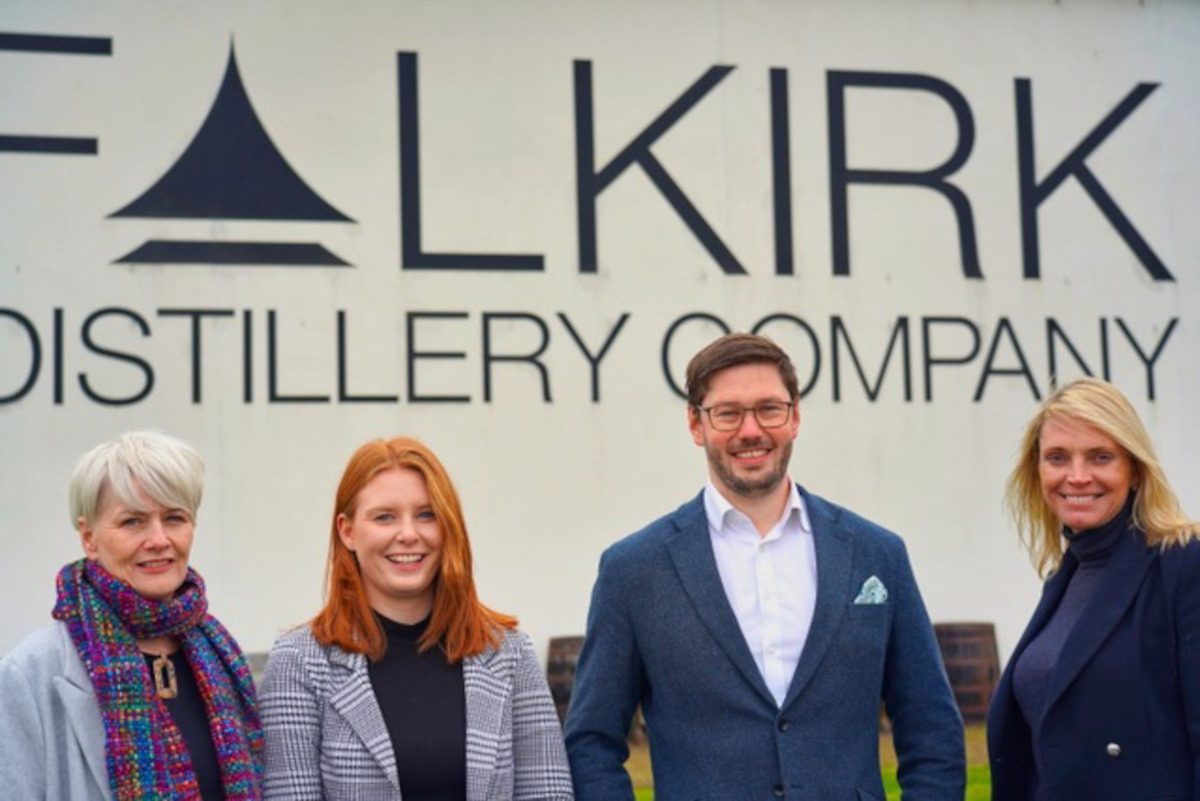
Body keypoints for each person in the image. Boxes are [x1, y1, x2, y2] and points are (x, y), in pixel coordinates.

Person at [564, 332, 964, 801]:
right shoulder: (633, 570)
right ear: (695, 424)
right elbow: (591, 742)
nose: (750, 430)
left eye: (769, 409)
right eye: (727, 413)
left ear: (795, 417)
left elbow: (931, 727)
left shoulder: (877, 554)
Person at [259, 436, 573, 801]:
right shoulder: (299, 663)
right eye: (384, 517)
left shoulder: (508, 655)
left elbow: (548, 793)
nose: (408, 534)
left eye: (426, 515)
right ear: (347, 532)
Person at [0, 430, 263, 801]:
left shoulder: (220, 656)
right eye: (132, 522)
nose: (158, 540)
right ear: (88, 537)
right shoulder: (30, 673)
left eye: (174, 518)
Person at [987, 377, 1200, 800]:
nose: (1078, 476)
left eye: (1101, 457)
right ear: (1037, 470)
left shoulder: (1184, 564)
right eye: (1057, 458)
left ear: (1134, 470)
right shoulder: (1063, 576)